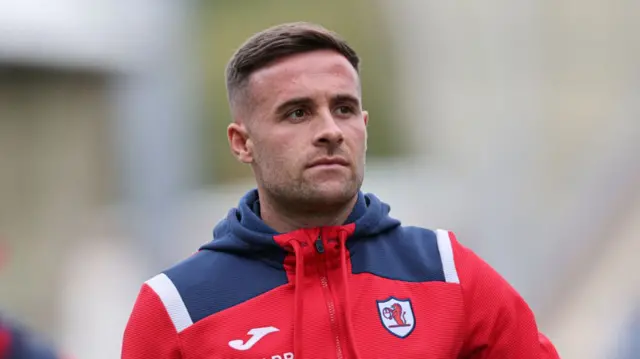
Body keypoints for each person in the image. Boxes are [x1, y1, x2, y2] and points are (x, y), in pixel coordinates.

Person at [121, 22, 560, 358]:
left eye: (344, 108)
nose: (330, 131)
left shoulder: (448, 273)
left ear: (363, 126)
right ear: (242, 142)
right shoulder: (177, 308)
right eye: (297, 113)